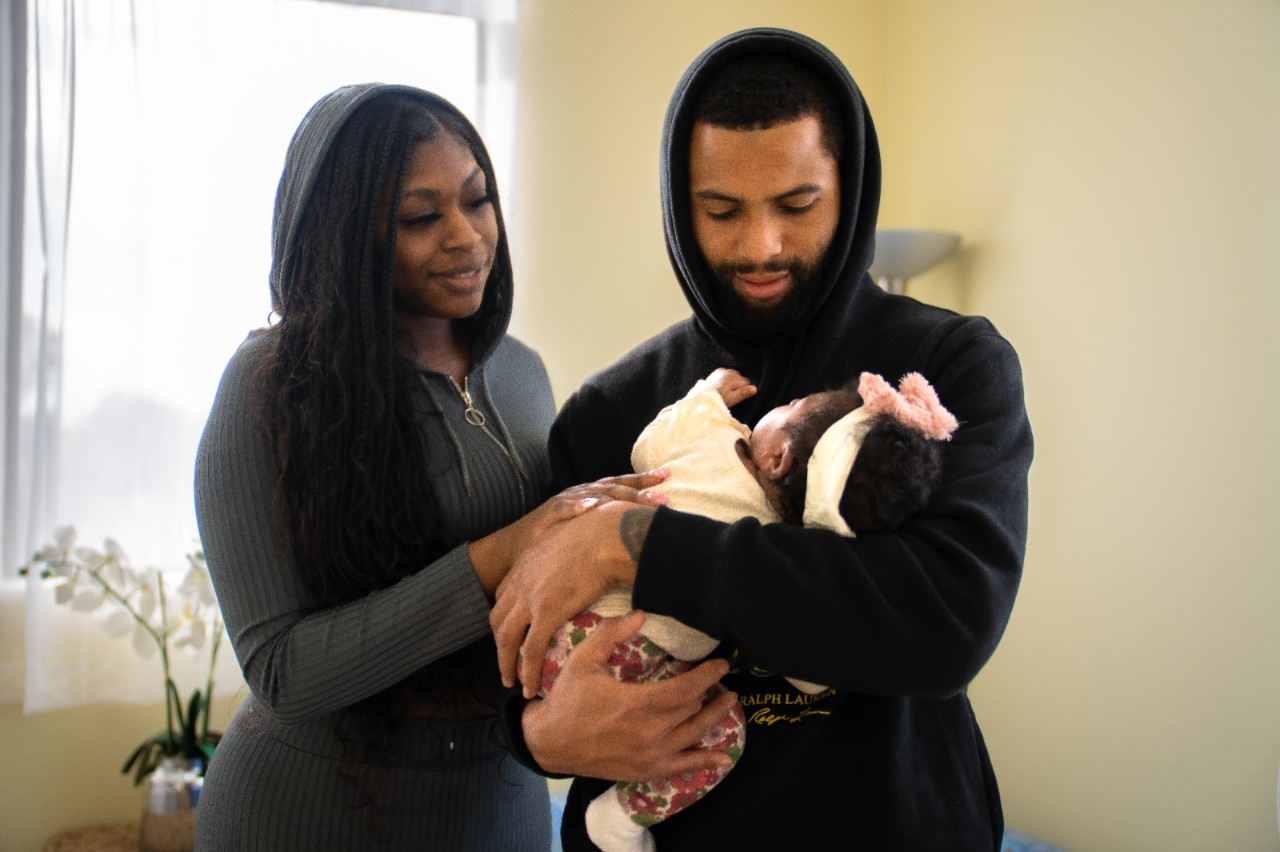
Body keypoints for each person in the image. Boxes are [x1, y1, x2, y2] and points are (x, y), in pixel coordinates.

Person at [492, 27, 1034, 850]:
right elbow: (521, 647)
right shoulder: (615, 408)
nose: (761, 246)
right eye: (722, 211)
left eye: (796, 205)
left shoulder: (942, 370)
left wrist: (636, 543)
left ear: (848, 192)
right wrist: (534, 739)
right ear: (680, 206)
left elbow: (943, 618)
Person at [192, 84, 663, 850]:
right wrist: (504, 552)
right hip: (312, 808)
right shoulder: (269, 387)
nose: (468, 237)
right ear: (345, 235)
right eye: (421, 217)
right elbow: (282, 672)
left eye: (479, 202)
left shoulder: (522, 372)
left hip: (498, 793)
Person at [544, 367, 957, 852]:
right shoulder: (780, 550)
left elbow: (650, 447)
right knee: (722, 736)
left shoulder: (715, 442)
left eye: (792, 403)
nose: (777, 403)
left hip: (577, 642)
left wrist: (707, 395)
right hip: (615, 654)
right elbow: (805, 667)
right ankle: (618, 817)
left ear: (778, 458)